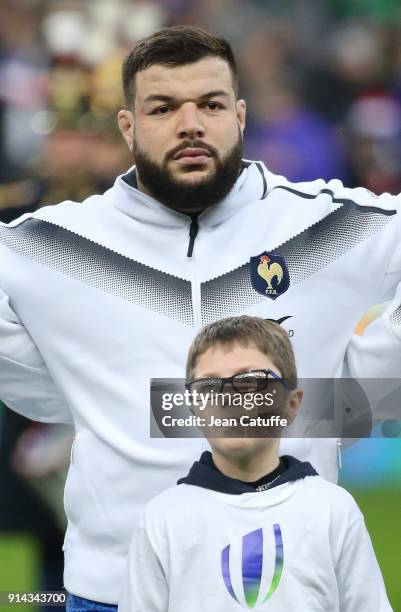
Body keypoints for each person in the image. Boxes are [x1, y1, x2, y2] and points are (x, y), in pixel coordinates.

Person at [0, 25, 400, 609]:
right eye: (163, 107)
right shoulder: (47, 245)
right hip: (113, 594)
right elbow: (32, 386)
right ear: (128, 127)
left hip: (288, 594)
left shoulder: (328, 224)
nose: (191, 124)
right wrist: (90, 395)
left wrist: (350, 394)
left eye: (210, 104)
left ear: (239, 116)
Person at [119, 316, 392, 612]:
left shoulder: (334, 511)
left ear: (292, 404)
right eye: (209, 386)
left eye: (251, 382)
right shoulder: (162, 519)